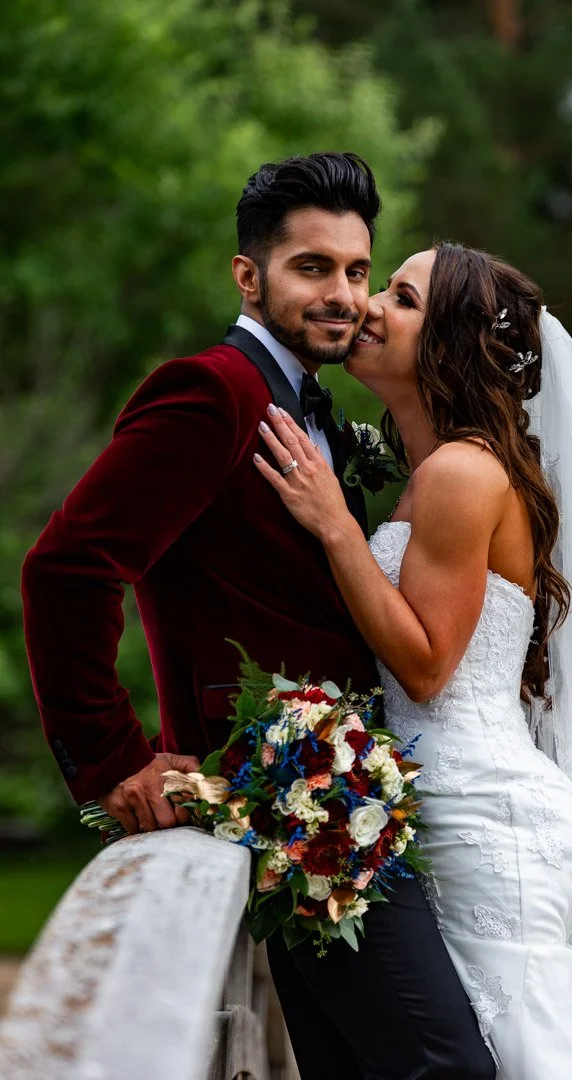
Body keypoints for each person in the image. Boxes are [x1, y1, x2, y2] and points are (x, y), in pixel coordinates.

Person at [22, 156, 496, 1080]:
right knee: (447, 1067)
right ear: (249, 275)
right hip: (290, 797)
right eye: (311, 268)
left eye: (356, 271)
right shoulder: (213, 392)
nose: (343, 296)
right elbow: (67, 568)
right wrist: (113, 762)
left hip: (335, 799)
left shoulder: (311, 408)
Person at [255, 241, 572, 1078]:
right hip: (453, 800)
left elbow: (428, 668)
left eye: (402, 298)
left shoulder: (463, 473)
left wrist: (335, 528)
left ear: (453, 344)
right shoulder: (439, 472)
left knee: (516, 1054)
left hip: (482, 815)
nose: (368, 306)